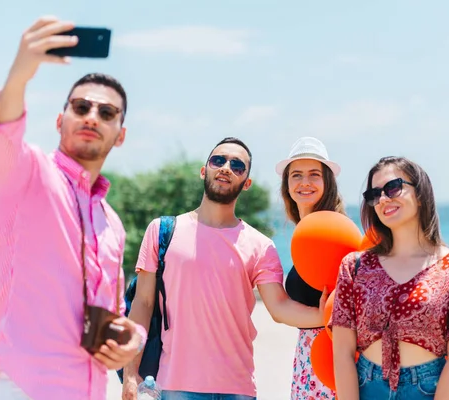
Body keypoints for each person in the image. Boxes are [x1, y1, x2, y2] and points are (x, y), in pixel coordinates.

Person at [0, 16, 146, 400]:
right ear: (59, 119)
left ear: (120, 135)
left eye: (106, 113)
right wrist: (21, 72)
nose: (92, 116)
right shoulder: (27, 174)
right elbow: (2, 133)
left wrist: (132, 341)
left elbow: (113, 312)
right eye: (81, 106)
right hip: (20, 388)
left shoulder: (112, 224)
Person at [122, 137, 328, 400]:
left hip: (238, 388)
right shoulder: (162, 231)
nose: (226, 168)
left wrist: (329, 315)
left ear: (247, 183)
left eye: (237, 165)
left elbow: (279, 308)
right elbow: (143, 304)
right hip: (175, 384)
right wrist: (130, 373)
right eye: (218, 160)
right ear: (203, 170)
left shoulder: (261, 245)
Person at [329, 156, 449, 399]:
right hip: (367, 386)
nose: (383, 199)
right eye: (374, 194)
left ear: (420, 194)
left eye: (392, 188)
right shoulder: (355, 266)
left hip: (428, 389)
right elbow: (342, 353)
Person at [275, 136, 345, 399]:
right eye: (296, 175)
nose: (305, 182)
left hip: (334, 360)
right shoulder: (305, 233)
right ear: (287, 185)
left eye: (314, 174)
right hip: (308, 359)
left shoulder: (334, 232)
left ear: (327, 183)